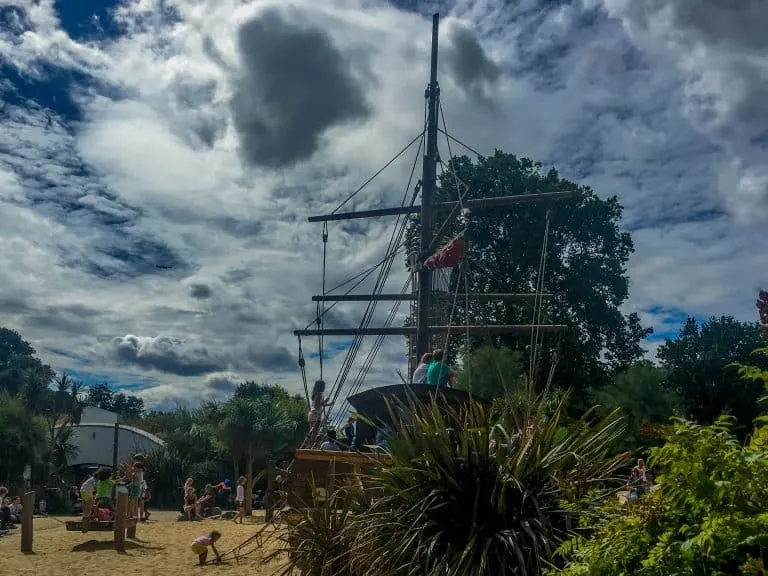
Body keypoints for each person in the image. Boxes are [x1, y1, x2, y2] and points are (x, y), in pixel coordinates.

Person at [308, 380, 330, 444]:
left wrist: (328, 404)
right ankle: (311, 447)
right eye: (324, 386)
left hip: (311, 414)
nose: (325, 387)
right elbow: (318, 405)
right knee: (314, 434)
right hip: (316, 415)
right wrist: (326, 400)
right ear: (322, 387)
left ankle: (308, 446)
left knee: (311, 433)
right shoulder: (320, 394)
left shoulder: (315, 394)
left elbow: (317, 404)